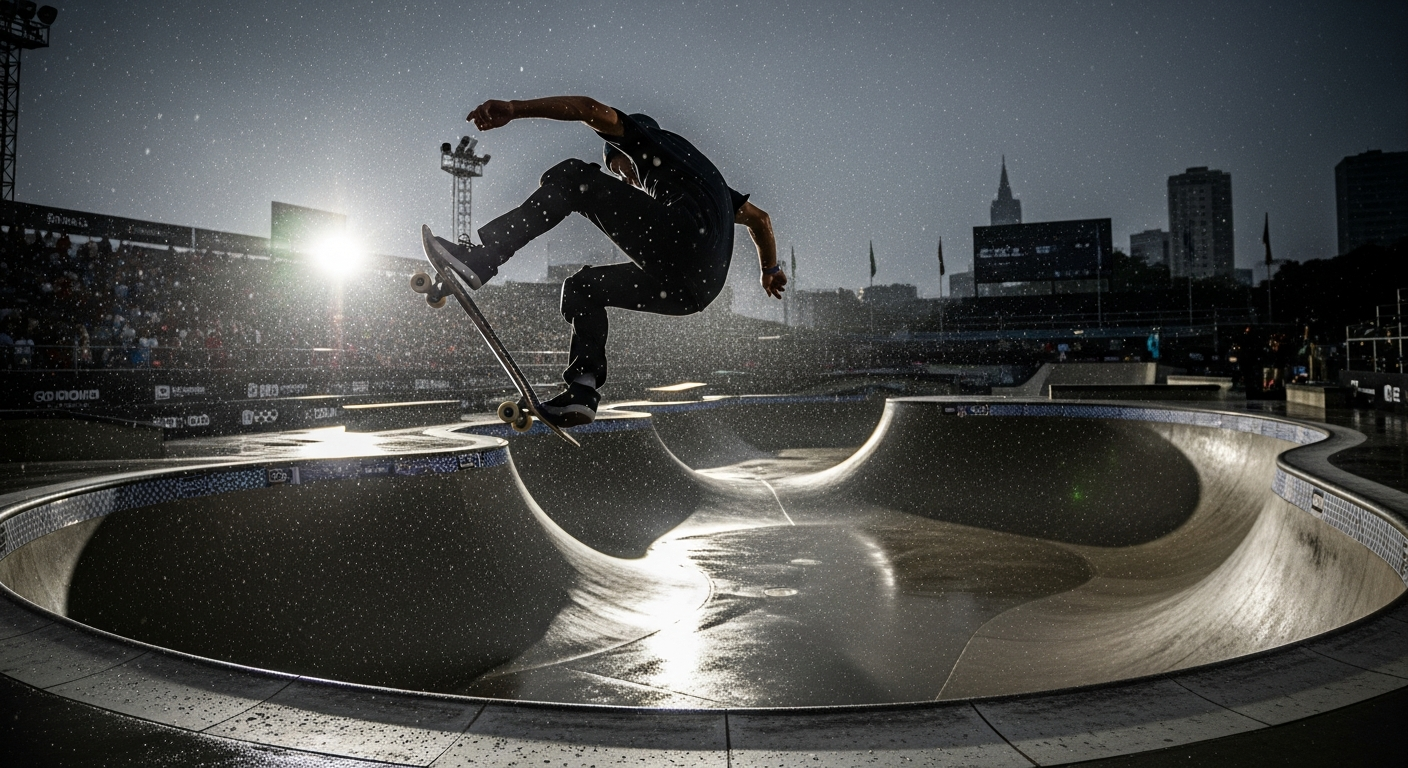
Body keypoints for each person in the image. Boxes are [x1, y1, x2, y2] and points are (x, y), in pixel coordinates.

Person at [423, 95, 784, 427]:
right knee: (584, 288)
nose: (627, 179)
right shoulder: (702, 178)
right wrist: (770, 270)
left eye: (620, 167)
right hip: (694, 291)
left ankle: (481, 258)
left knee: (573, 177)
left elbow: (586, 109)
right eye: (618, 173)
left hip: (682, 240)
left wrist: (516, 110)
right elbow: (760, 219)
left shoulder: (647, 140)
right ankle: (582, 391)